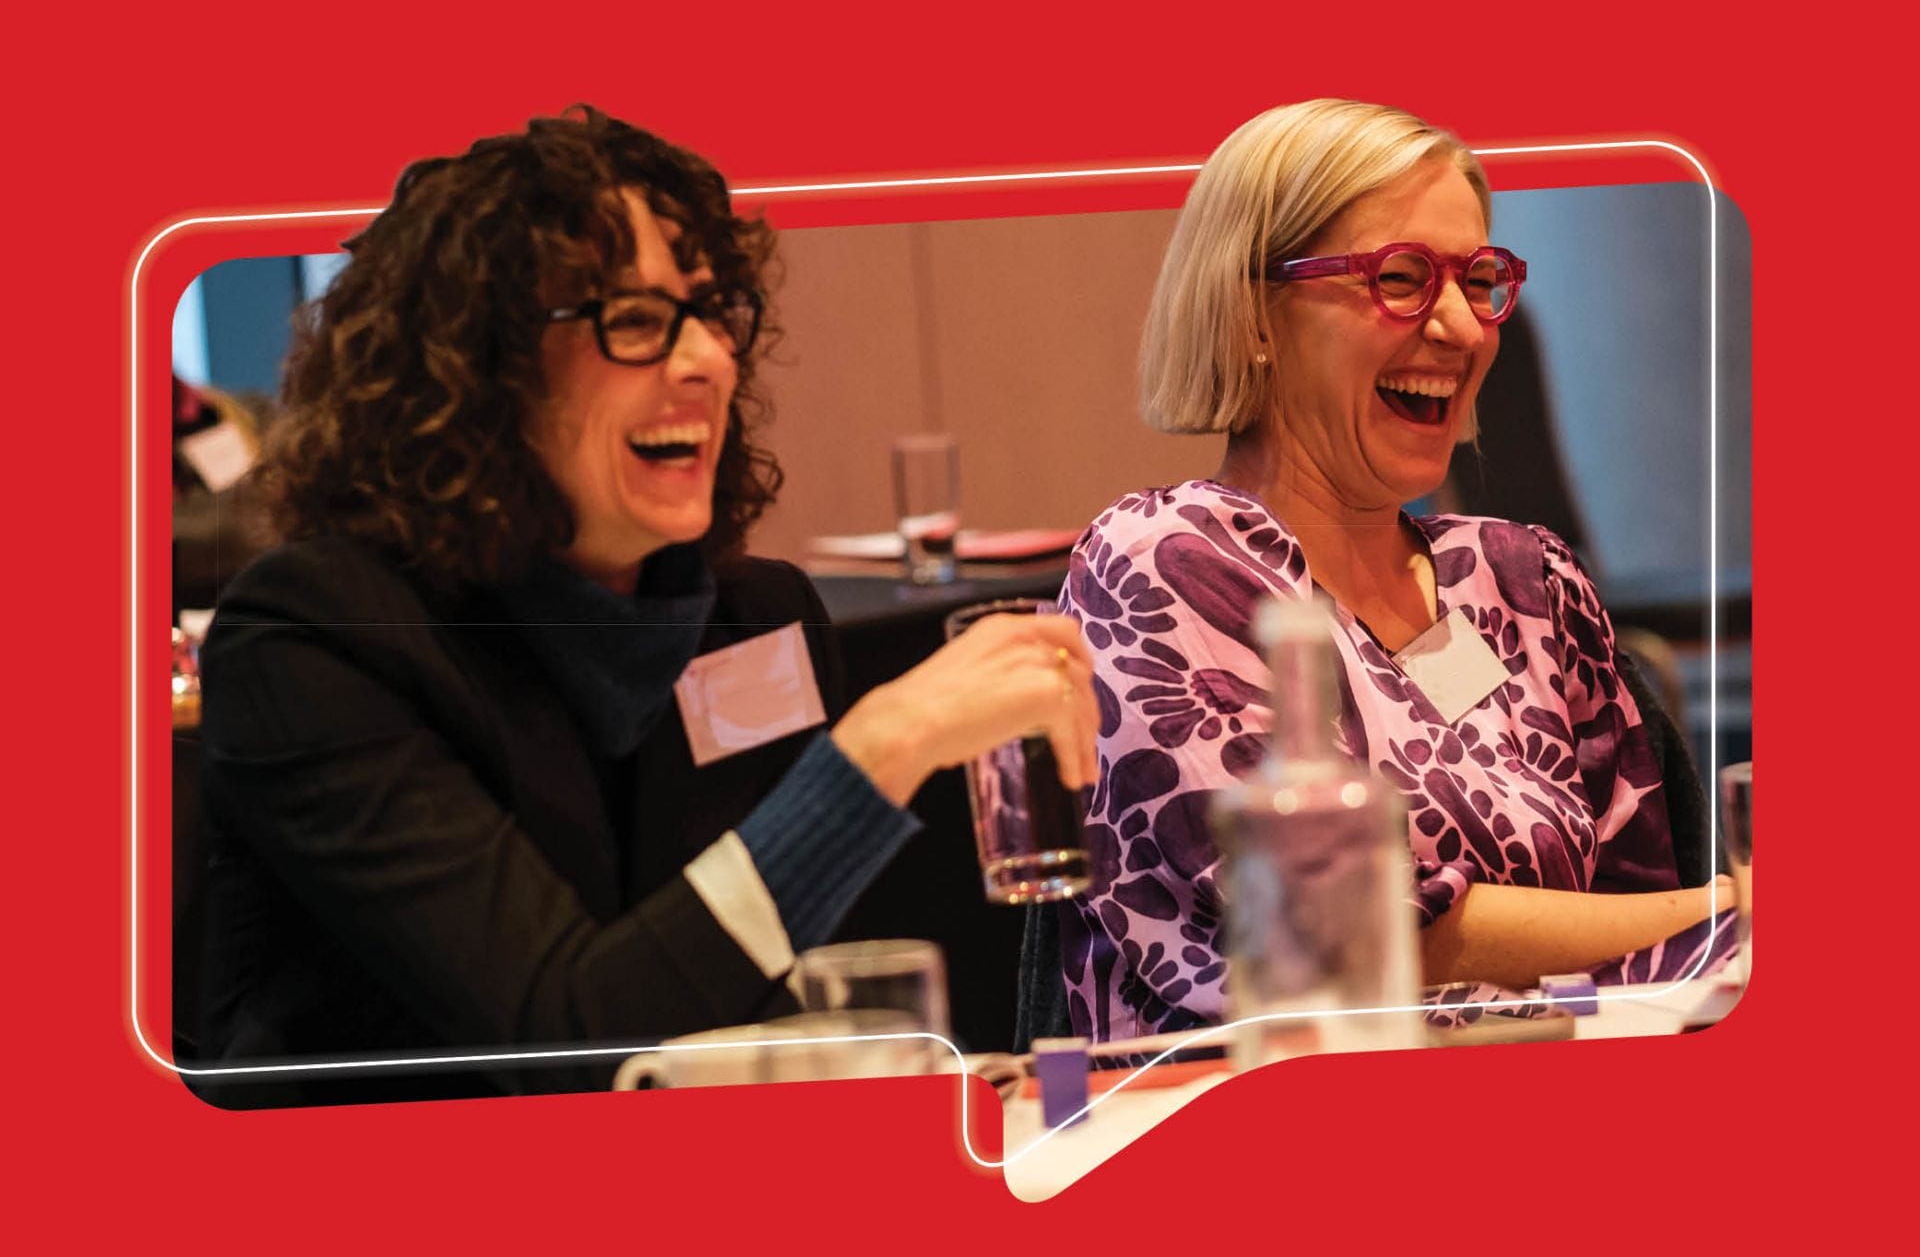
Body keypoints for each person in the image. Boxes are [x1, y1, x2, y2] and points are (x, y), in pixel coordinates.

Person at [192, 107, 1098, 1106]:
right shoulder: (318, 639)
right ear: (472, 370)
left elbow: (805, 1011)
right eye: (633, 320)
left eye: (712, 310)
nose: (707, 358)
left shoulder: (755, 621)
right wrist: (878, 747)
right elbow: (578, 1046)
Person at [1051, 99, 1728, 1044]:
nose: (1460, 327)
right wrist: (1732, 909)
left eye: (1481, 279)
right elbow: (1335, 932)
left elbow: (1663, 950)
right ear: (1254, 314)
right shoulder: (1162, 565)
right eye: (1402, 279)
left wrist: (1700, 925)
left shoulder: (1522, 579)